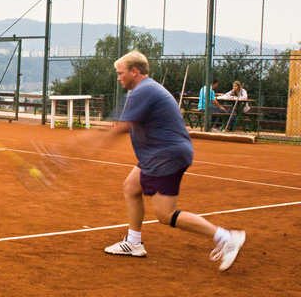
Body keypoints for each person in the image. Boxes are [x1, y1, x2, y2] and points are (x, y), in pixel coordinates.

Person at [87, 51, 245, 272]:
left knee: (165, 214)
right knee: (131, 187)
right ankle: (133, 242)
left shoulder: (142, 91)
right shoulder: (146, 88)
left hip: (165, 156)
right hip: (159, 154)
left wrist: (86, 140)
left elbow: (122, 126)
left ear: (134, 71)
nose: (119, 77)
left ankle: (226, 238)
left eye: (121, 73)